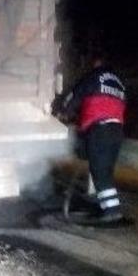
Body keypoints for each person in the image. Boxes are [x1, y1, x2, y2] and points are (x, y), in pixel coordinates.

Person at [52, 53, 127, 225]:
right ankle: (109, 206)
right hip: (116, 129)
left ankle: (112, 211)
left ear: (97, 63)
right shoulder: (119, 83)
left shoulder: (93, 77)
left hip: (99, 130)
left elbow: (75, 97)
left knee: (100, 173)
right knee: (105, 171)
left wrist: (62, 112)